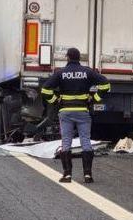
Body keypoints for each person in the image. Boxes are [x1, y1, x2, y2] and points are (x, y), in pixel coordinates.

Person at [41, 48, 110, 184]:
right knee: (85, 141)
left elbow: (45, 90)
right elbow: (105, 85)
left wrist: (56, 101)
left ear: (67, 57)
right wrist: (94, 98)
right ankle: (88, 175)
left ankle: (67, 175)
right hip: (83, 111)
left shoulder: (60, 73)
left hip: (65, 112)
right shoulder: (87, 72)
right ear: (79, 58)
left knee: (66, 141)